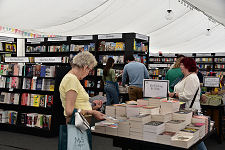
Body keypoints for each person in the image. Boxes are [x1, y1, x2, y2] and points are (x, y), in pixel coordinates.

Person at [169, 57, 207, 150]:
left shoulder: (192, 78)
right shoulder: (186, 77)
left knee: (196, 136)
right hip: (185, 109)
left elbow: (187, 96)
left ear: (187, 66)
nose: (180, 67)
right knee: (192, 135)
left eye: (182, 65)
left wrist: (174, 94)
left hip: (190, 109)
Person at [59, 51, 104, 124]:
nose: (88, 73)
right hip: (76, 124)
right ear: (85, 67)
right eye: (89, 70)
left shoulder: (73, 79)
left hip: (79, 122)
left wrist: (92, 107)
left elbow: (78, 106)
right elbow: (70, 111)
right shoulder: (71, 79)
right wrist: (92, 112)